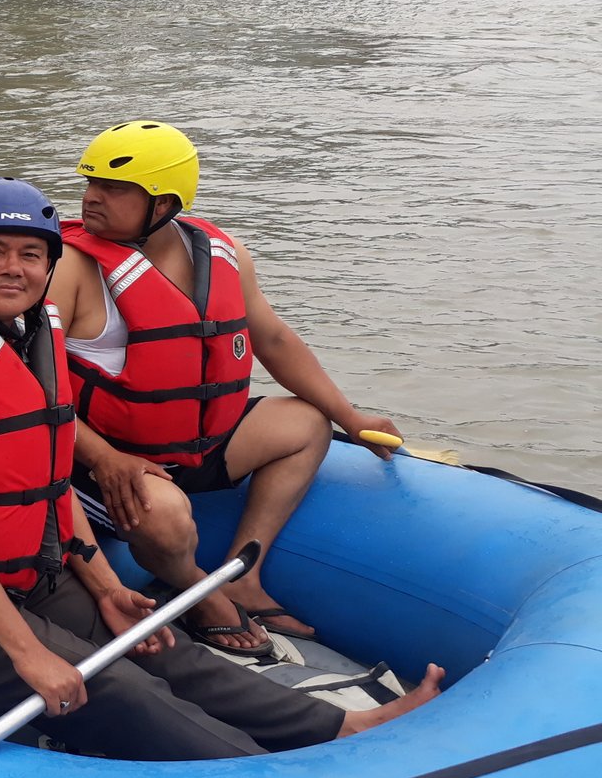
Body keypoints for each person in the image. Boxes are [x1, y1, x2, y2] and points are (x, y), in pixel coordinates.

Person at [0, 176, 442, 760]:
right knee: (119, 686)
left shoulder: (28, 331)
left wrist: (107, 590)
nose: (14, 268)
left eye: (31, 255)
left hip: (22, 573)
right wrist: (27, 653)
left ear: (49, 266)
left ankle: (339, 725)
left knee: (164, 647)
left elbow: (45, 482)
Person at [48, 120, 401, 653]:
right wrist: (104, 457)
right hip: (105, 463)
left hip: (196, 449)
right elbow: (35, 394)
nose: (91, 199)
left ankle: (243, 572)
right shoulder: (70, 267)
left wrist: (353, 418)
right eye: (89, 184)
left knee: (306, 422)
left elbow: (274, 340)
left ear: (164, 203)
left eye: (113, 189)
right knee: (163, 514)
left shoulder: (221, 252)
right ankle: (197, 591)